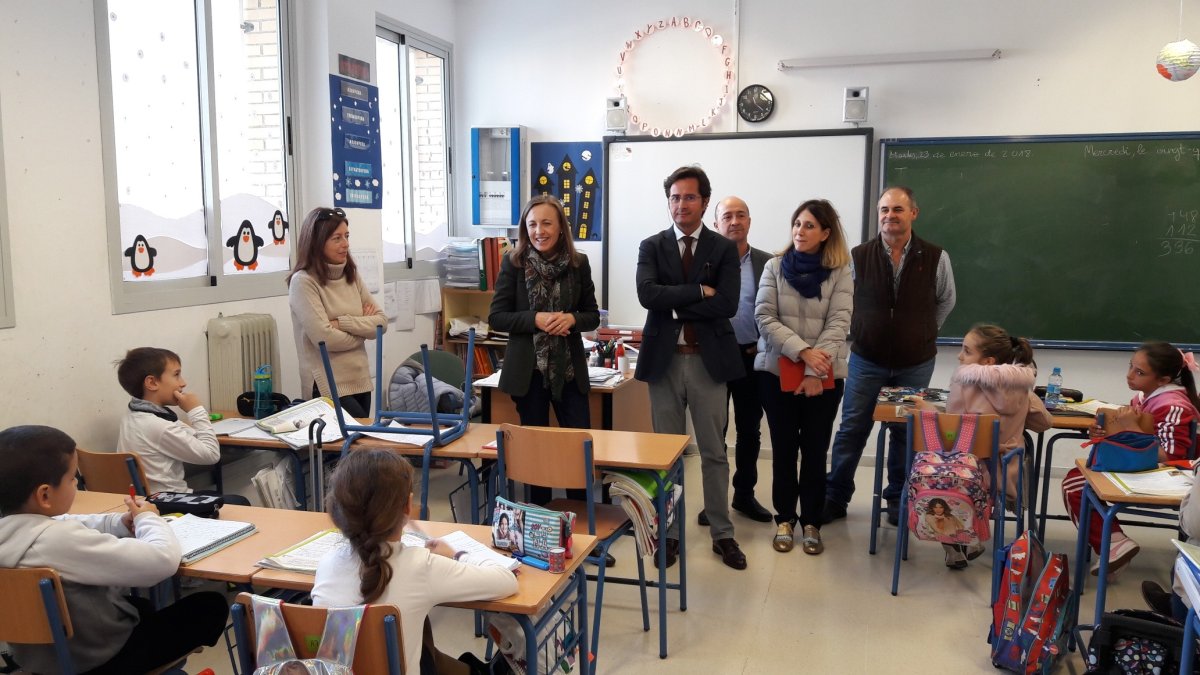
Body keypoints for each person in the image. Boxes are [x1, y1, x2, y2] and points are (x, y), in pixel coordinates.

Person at [0, 425, 228, 675]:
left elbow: (62, 524)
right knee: (210, 605)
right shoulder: (59, 541)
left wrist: (117, 523)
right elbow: (162, 561)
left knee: (139, 606)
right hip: (99, 661)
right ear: (45, 495)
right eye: (72, 478)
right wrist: (149, 519)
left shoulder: (17, 529)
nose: (76, 484)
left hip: (40, 661)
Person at [313, 449, 517, 675]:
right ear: (408, 507)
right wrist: (458, 555)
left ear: (335, 511)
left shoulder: (327, 564)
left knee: (419, 632)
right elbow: (507, 581)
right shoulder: (420, 566)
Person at [635, 166, 747, 570]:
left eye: (690, 197)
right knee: (666, 456)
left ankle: (723, 533)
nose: (681, 204)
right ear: (669, 202)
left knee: (715, 453)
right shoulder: (652, 246)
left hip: (708, 364)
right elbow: (648, 295)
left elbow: (728, 304)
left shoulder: (721, 248)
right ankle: (669, 534)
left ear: (703, 201)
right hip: (664, 365)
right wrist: (699, 291)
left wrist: (674, 301)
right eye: (675, 198)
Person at [824, 186, 956, 525]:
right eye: (884, 209)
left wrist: (924, 331)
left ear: (914, 213)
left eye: (897, 209)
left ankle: (898, 499)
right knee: (852, 428)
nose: (889, 215)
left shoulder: (936, 256)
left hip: (916, 363)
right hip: (867, 358)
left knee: (905, 433)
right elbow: (843, 300)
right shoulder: (858, 255)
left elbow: (946, 300)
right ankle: (835, 497)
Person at [753, 199, 852, 556]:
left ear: (826, 233)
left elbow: (839, 322)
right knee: (783, 449)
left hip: (824, 378)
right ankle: (784, 519)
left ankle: (811, 521)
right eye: (797, 224)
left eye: (809, 225)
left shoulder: (841, 271)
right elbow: (764, 316)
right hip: (777, 372)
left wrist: (814, 370)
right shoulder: (774, 267)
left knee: (814, 450)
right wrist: (803, 352)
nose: (800, 231)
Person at [488, 195, 600, 505]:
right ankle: (541, 524)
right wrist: (535, 319)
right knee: (536, 454)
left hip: (568, 370)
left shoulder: (579, 264)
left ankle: (583, 527)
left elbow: (592, 313)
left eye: (547, 223)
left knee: (577, 450)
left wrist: (572, 319)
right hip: (529, 374)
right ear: (525, 228)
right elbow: (496, 317)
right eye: (532, 224)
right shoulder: (514, 263)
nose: (540, 230)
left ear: (561, 227)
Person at [1062, 342, 1200, 577]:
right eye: (1130, 367)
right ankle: (1114, 543)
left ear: (1163, 379)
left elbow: (1173, 456)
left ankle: (1112, 543)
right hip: (1143, 466)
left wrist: (1130, 429)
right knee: (1078, 479)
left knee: (1077, 485)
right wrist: (1103, 432)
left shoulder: (1173, 405)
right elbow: (1127, 437)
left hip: (1168, 475)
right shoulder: (1143, 398)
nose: (1129, 375)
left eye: (1139, 372)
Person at [922, 323, 1052, 568]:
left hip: (967, 476)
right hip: (1006, 474)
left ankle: (958, 544)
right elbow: (1044, 423)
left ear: (988, 361)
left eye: (967, 351)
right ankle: (971, 537)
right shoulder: (1022, 387)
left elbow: (951, 432)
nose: (960, 356)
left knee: (947, 464)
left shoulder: (964, 386)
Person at [700, 195, 773, 526]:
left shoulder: (768, 262)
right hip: (714, 358)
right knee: (715, 432)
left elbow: (776, 311)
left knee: (749, 430)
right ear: (716, 224)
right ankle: (714, 502)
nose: (734, 221)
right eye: (727, 216)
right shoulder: (705, 263)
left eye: (740, 215)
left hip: (751, 357)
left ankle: (744, 494)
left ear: (749, 221)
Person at [115, 347, 250, 504]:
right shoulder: (158, 426)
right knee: (240, 503)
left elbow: (185, 433)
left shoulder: (133, 415)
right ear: (152, 382)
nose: (183, 383)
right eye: (176, 375)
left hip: (149, 499)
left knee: (218, 496)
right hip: (167, 503)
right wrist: (196, 411)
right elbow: (211, 455)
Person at [288, 206, 387, 418]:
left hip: (359, 379)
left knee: (359, 445)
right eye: (337, 238)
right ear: (317, 242)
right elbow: (324, 339)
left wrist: (342, 323)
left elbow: (381, 323)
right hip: (327, 384)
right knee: (349, 445)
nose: (346, 244)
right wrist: (362, 331)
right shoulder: (303, 282)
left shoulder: (351, 275)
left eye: (347, 236)